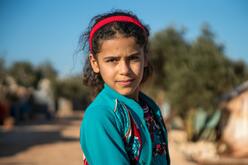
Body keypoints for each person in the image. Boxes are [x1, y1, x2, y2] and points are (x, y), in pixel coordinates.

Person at [79, 10, 170, 165]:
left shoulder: (150, 106)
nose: (125, 70)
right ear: (95, 63)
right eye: (112, 60)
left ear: (145, 58)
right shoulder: (100, 116)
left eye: (133, 58)